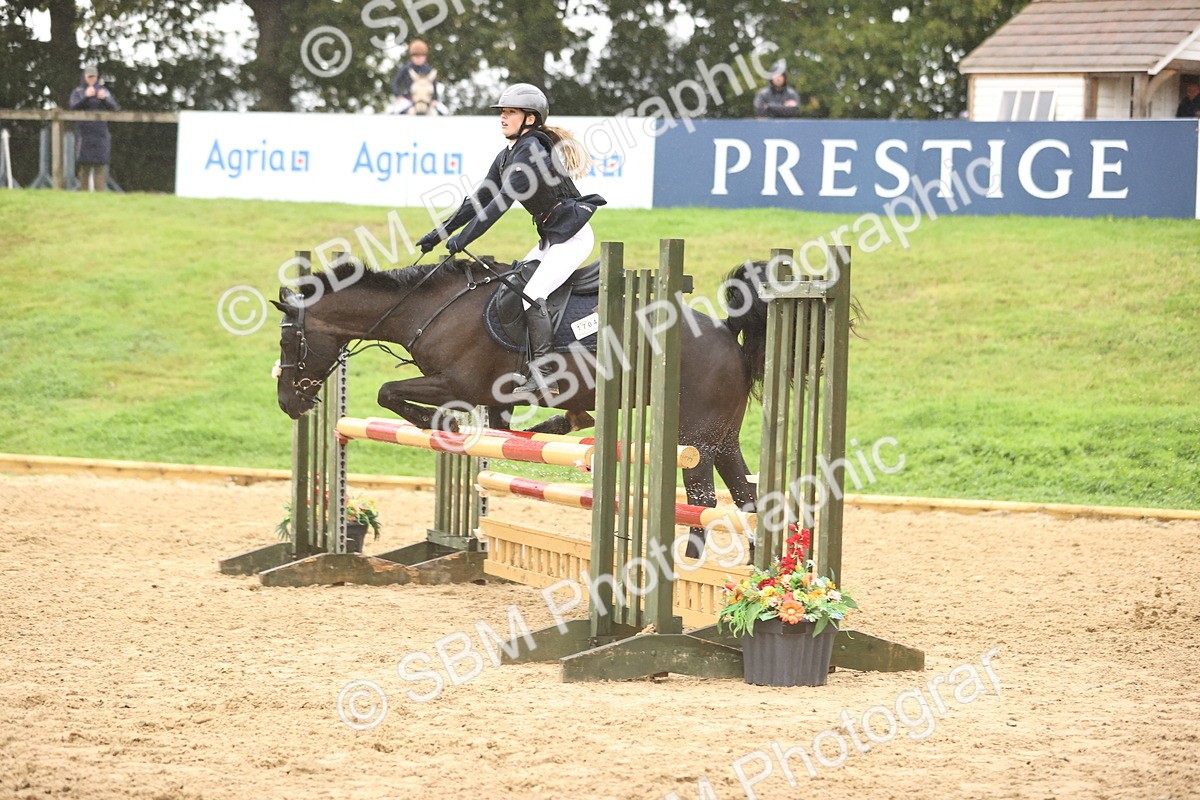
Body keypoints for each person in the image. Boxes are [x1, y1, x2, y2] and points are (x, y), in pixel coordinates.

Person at [416, 83, 605, 398]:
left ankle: (545, 376)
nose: (503, 117)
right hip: (552, 237)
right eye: (502, 112)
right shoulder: (507, 155)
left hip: (572, 236)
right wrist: (439, 233)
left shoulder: (532, 151)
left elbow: (501, 203)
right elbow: (479, 199)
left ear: (530, 118)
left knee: (532, 293)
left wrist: (465, 238)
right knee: (515, 285)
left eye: (511, 112)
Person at [68, 65, 119, 191]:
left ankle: (99, 195)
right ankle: (84, 193)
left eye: (94, 77)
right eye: (89, 76)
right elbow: (73, 107)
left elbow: (115, 108)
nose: (91, 79)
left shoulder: (103, 91)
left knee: (100, 166)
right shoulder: (78, 92)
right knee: (84, 166)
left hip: (100, 134)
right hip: (84, 134)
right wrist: (85, 97)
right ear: (84, 77)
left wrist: (105, 99)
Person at [390, 40, 444, 115]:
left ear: (425, 57)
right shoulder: (406, 69)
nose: (418, 59)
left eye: (421, 56)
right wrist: (398, 95)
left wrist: (435, 99)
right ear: (411, 57)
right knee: (395, 111)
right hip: (409, 99)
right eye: (416, 56)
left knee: (444, 111)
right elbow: (395, 82)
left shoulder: (428, 70)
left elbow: (434, 85)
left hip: (427, 101)